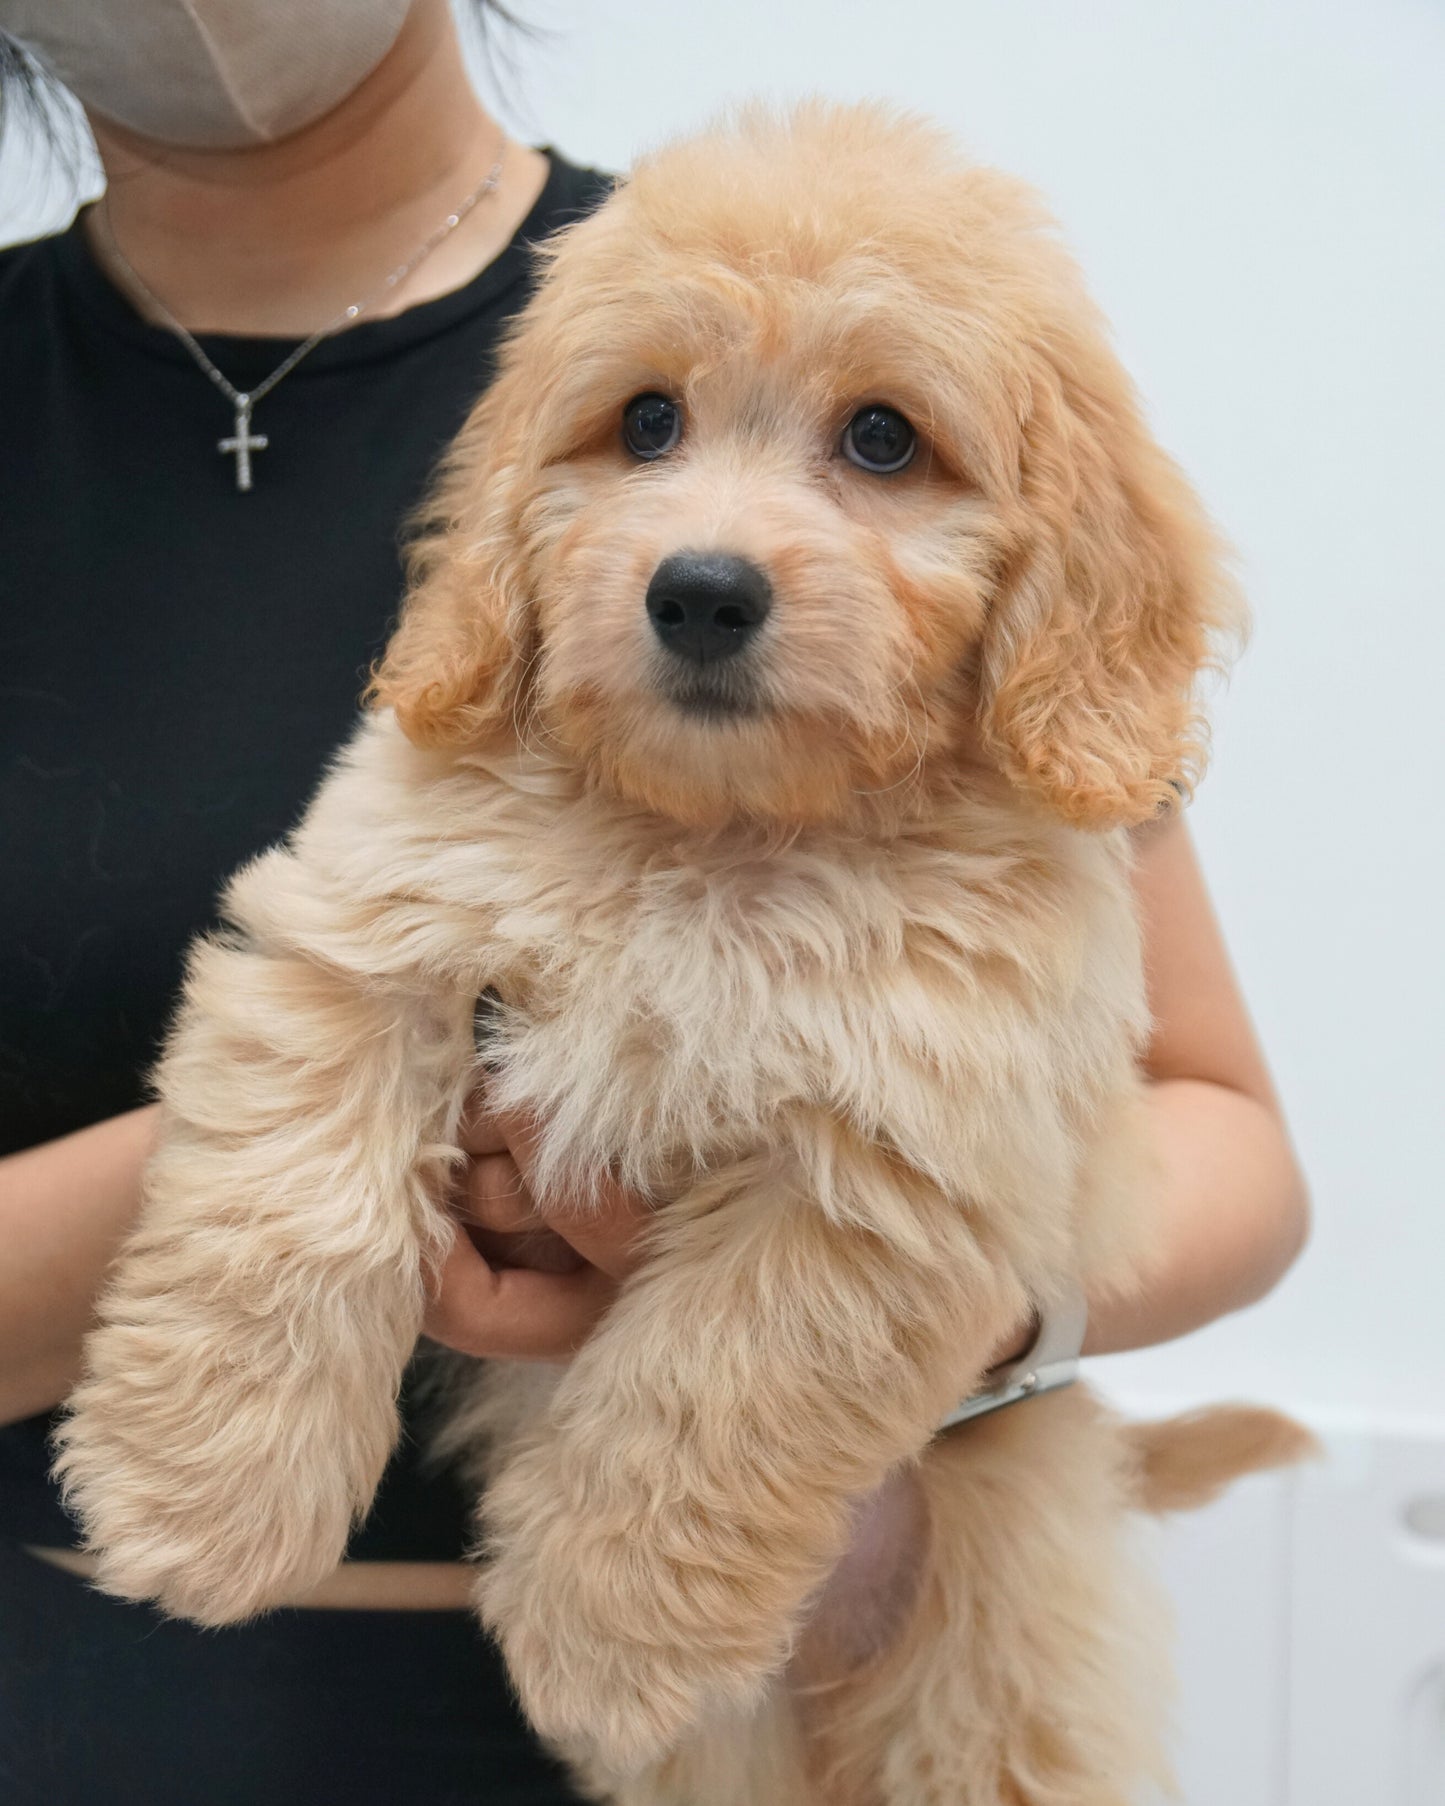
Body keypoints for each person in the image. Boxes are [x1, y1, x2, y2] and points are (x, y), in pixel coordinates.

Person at [0, 2, 1310, 1800]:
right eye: (644, 428)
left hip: (822, 1682)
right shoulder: (486, 662)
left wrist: (939, 1308)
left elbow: (1230, 1146)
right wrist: (360, 1154)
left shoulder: (711, 253)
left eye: (875, 443)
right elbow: (333, 986)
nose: (712, 552)